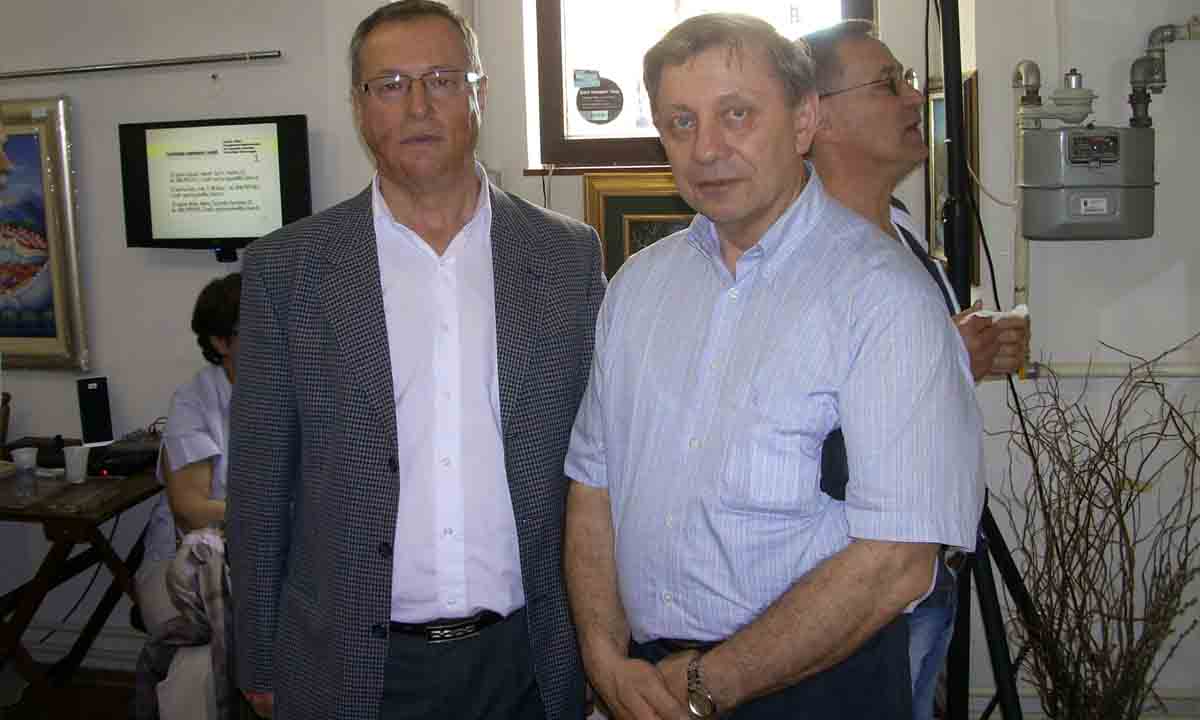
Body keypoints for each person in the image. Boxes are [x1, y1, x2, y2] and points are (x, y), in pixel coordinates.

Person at [563, 13, 984, 720]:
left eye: (736, 114)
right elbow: (593, 487)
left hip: (817, 688)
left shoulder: (882, 296)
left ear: (803, 120)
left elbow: (899, 558)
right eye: (681, 122)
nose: (707, 149)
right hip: (647, 682)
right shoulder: (637, 288)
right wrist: (604, 658)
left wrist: (712, 682)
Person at [226, 2, 603, 719]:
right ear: (359, 106)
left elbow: (600, 468)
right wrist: (260, 657)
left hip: (528, 654)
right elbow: (260, 482)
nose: (419, 106)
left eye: (442, 79)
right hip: (350, 661)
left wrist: (602, 641)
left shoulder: (566, 257)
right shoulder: (288, 269)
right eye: (391, 84)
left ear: (479, 94)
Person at [803, 20, 1029, 719]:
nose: (912, 97)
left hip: (929, 575)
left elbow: (914, 382)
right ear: (818, 117)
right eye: (887, 84)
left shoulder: (899, 228)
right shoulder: (799, 258)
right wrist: (947, 361)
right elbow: (801, 430)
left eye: (905, 77)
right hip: (856, 588)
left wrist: (971, 354)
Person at [134, 272, 240, 720]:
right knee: (202, 657)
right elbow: (191, 510)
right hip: (180, 563)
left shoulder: (299, 390)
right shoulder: (195, 401)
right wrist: (275, 514)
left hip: (261, 561)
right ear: (220, 342)